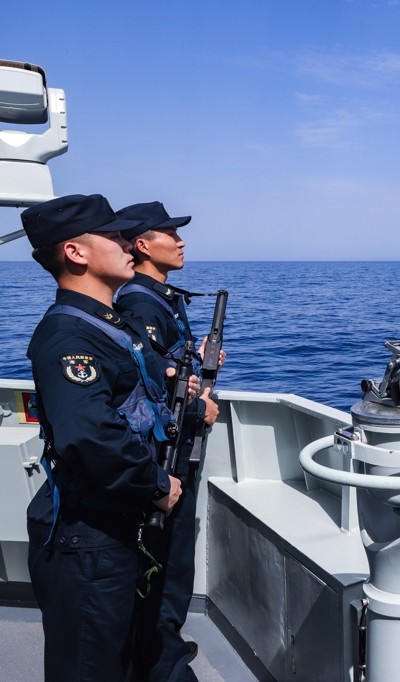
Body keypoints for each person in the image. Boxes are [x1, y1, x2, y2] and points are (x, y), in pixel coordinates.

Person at [21, 194, 185, 681]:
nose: (126, 245)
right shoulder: (69, 338)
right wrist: (156, 485)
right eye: (113, 237)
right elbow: (90, 438)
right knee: (89, 666)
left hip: (115, 524)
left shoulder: (105, 324)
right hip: (85, 537)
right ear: (76, 253)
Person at [114, 201, 220, 682]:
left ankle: (165, 647)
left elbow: (170, 373)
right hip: (164, 456)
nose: (180, 241)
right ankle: (162, 662)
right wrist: (201, 408)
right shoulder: (139, 303)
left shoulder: (159, 298)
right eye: (170, 234)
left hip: (173, 449)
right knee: (166, 563)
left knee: (170, 562)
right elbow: (149, 389)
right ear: (141, 244)